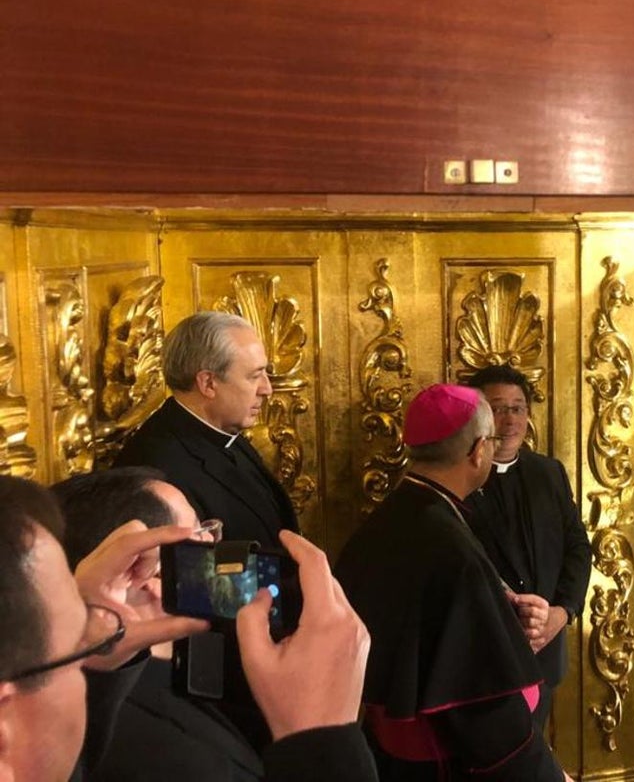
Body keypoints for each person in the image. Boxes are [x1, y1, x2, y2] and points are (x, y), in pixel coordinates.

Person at [0, 474, 376, 782]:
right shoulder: (165, 759)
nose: (92, 645)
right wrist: (324, 742)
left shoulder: (115, 671)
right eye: (75, 645)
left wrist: (100, 656)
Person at [335, 383, 569, 780]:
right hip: (446, 766)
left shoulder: (389, 519)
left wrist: (502, 609)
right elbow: (484, 709)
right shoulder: (446, 541)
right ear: (479, 451)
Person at [51, 467, 264, 780]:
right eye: (200, 533)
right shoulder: (169, 754)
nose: (215, 544)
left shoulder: (111, 677)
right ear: (145, 572)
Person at [463, 365, 591, 729]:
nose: (509, 419)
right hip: (482, 658)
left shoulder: (548, 473)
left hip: (544, 650)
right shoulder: (458, 477)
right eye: (498, 408)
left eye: (518, 408)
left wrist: (562, 612)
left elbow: (577, 547)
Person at [114, 311, 297, 548]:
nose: (267, 389)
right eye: (255, 376)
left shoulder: (221, 429)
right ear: (208, 383)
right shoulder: (159, 468)